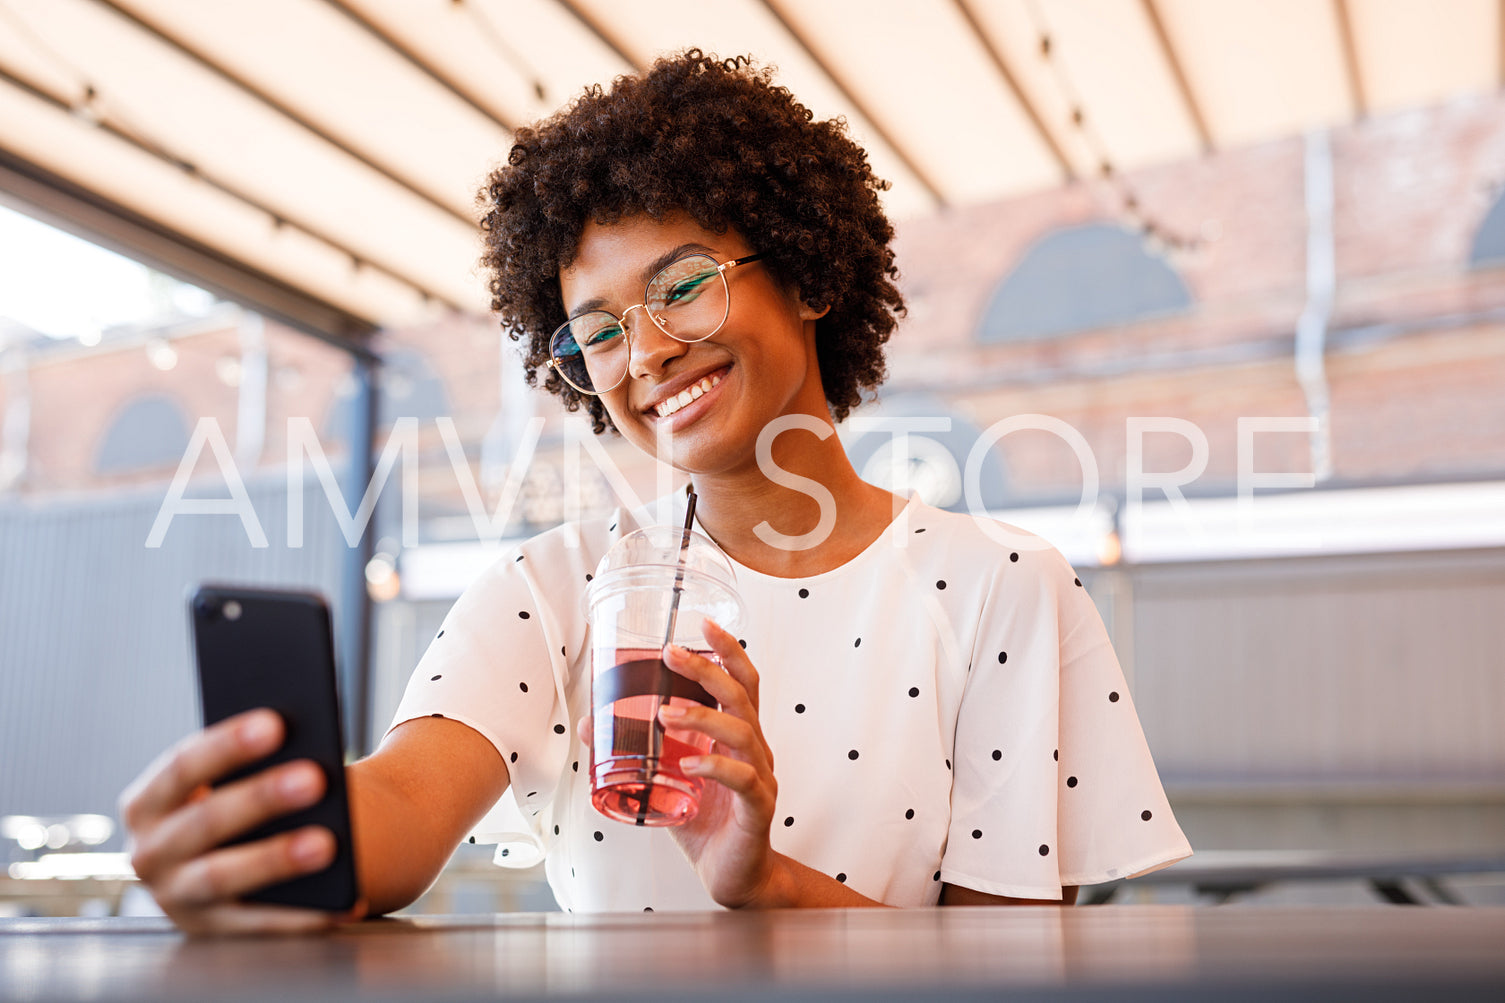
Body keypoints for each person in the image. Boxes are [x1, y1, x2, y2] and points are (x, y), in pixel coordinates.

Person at [120, 50, 1191, 933]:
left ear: (812, 276)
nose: (646, 354)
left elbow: (1007, 963)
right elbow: (403, 796)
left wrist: (766, 884)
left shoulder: (1000, 588)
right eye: (597, 330)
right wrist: (271, 832)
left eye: (681, 285)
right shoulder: (555, 587)